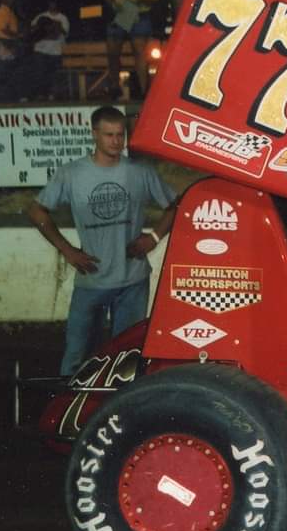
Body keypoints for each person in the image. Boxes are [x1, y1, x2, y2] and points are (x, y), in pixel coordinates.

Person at [27, 106, 177, 376]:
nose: (116, 142)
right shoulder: (72, 173)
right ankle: (69, 412)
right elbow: (36, 210)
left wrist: (154, 238)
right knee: (78, 356)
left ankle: (120, 412)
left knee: (126, 358)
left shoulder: (139, 172)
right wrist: (67, 250)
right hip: (92, 279)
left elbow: (175, 205)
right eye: (109, 135)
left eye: (120, 135)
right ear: (94, 134)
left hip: (132, 280)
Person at [102, 0, 161, 99]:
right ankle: (115, 87)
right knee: (113, 51)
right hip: (119, 14)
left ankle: (144, 91)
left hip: (140, 15)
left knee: (140, 53)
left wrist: (137, 0)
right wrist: (116, 7)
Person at [30, 0, 69, 100]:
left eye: (54, 3)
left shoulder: (62, 18)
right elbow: (32, 30)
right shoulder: (41, 16)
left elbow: (65, 33)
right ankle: (40, 94)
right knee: (40, 73)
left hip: (56, 51)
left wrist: (58, 26)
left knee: (55, 75)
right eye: (51, 3)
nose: (52, 5)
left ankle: (53, 94)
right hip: (41, 50)